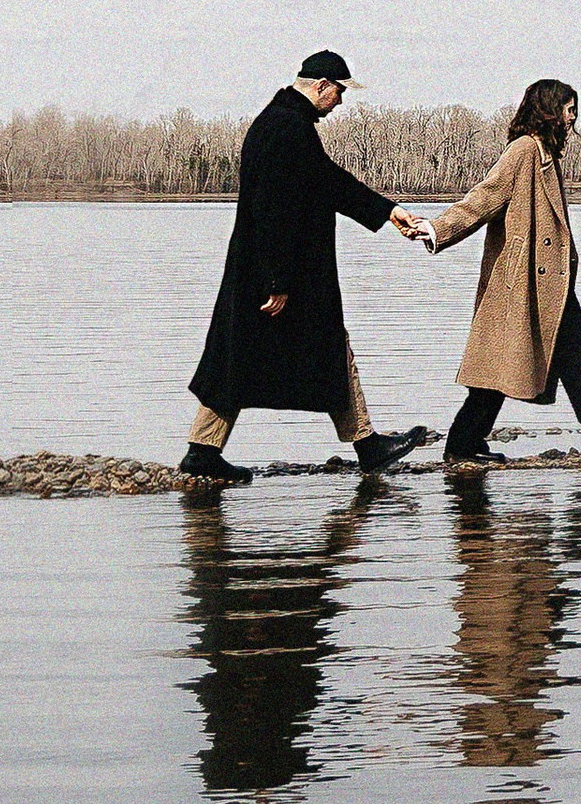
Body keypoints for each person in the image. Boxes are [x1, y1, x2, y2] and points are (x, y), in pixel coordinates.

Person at [181, 52, 434, 484]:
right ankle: (368, 445)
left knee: (235, 359)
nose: (340, 102)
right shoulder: (286, 128)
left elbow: (327, 182)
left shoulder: (283, 122)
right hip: (280, 273)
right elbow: (272, 208)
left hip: (263, 268)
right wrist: (277, 281)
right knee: (327, 348)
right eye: (339, 92)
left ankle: (203, 452)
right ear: (320, 84)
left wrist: (389, 212)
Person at [410, 78, 581, 466]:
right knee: (503, 367)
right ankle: (464, 444)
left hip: (549, 283)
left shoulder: (547, 155)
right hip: (522, 281)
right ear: (549, 111)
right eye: (568, 109)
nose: (573, 119)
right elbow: (484, 198)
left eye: (575, 110)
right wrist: (437, 228)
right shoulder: (523, 151)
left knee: (571, 356)